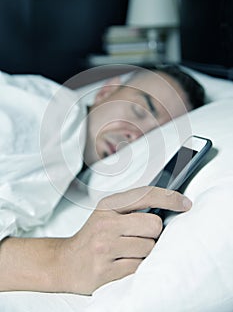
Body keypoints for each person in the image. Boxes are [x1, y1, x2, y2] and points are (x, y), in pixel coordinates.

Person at [0, 65, 204, 295]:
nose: (136, 135)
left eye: (154, 135)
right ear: (106, 91)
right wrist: (62, 262)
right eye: (140, 110)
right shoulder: (54, 123)